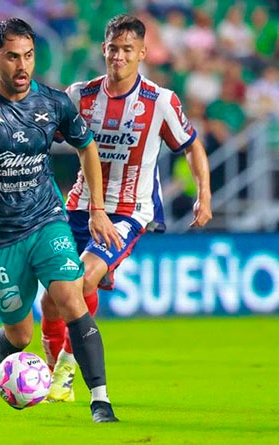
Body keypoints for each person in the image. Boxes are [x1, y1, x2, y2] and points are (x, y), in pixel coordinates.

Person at [0, 18, 122, 423]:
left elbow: (86, 148)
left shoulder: (53, 103)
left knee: (71, 297)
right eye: (13, 57)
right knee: (21, 336)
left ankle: (100, 400)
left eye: (30, 56)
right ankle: (2, 354)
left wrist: (97, 207)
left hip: (45, 220)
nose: (23, 66)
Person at [40, 14, 213, 402]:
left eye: (127, 50)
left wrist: (205, 194)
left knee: (82, 278)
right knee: (51, 296)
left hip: (128, 211)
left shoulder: (161, 101)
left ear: (142, 53)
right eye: (113, 49)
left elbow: (191, 146)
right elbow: (43, 138)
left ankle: (67, 372)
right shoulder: (79, 95)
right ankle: (52, 359)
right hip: (78, 206)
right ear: (104, 49)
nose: (119, 57)